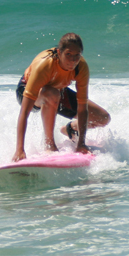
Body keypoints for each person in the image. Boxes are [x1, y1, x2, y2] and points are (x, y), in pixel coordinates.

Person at [13, 33, 110, 161]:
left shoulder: (81, 67)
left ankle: (70, 129)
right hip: (28, 91)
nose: (73, 60)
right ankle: (49, 145)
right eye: (68, 54)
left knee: (102, 118)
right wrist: (20, 150)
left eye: (77, 55)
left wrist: (81, 143)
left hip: (58, 91)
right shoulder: (44, 65)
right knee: (52, 93)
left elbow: (82, 107)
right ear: (59, 52)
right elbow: (24, 112)